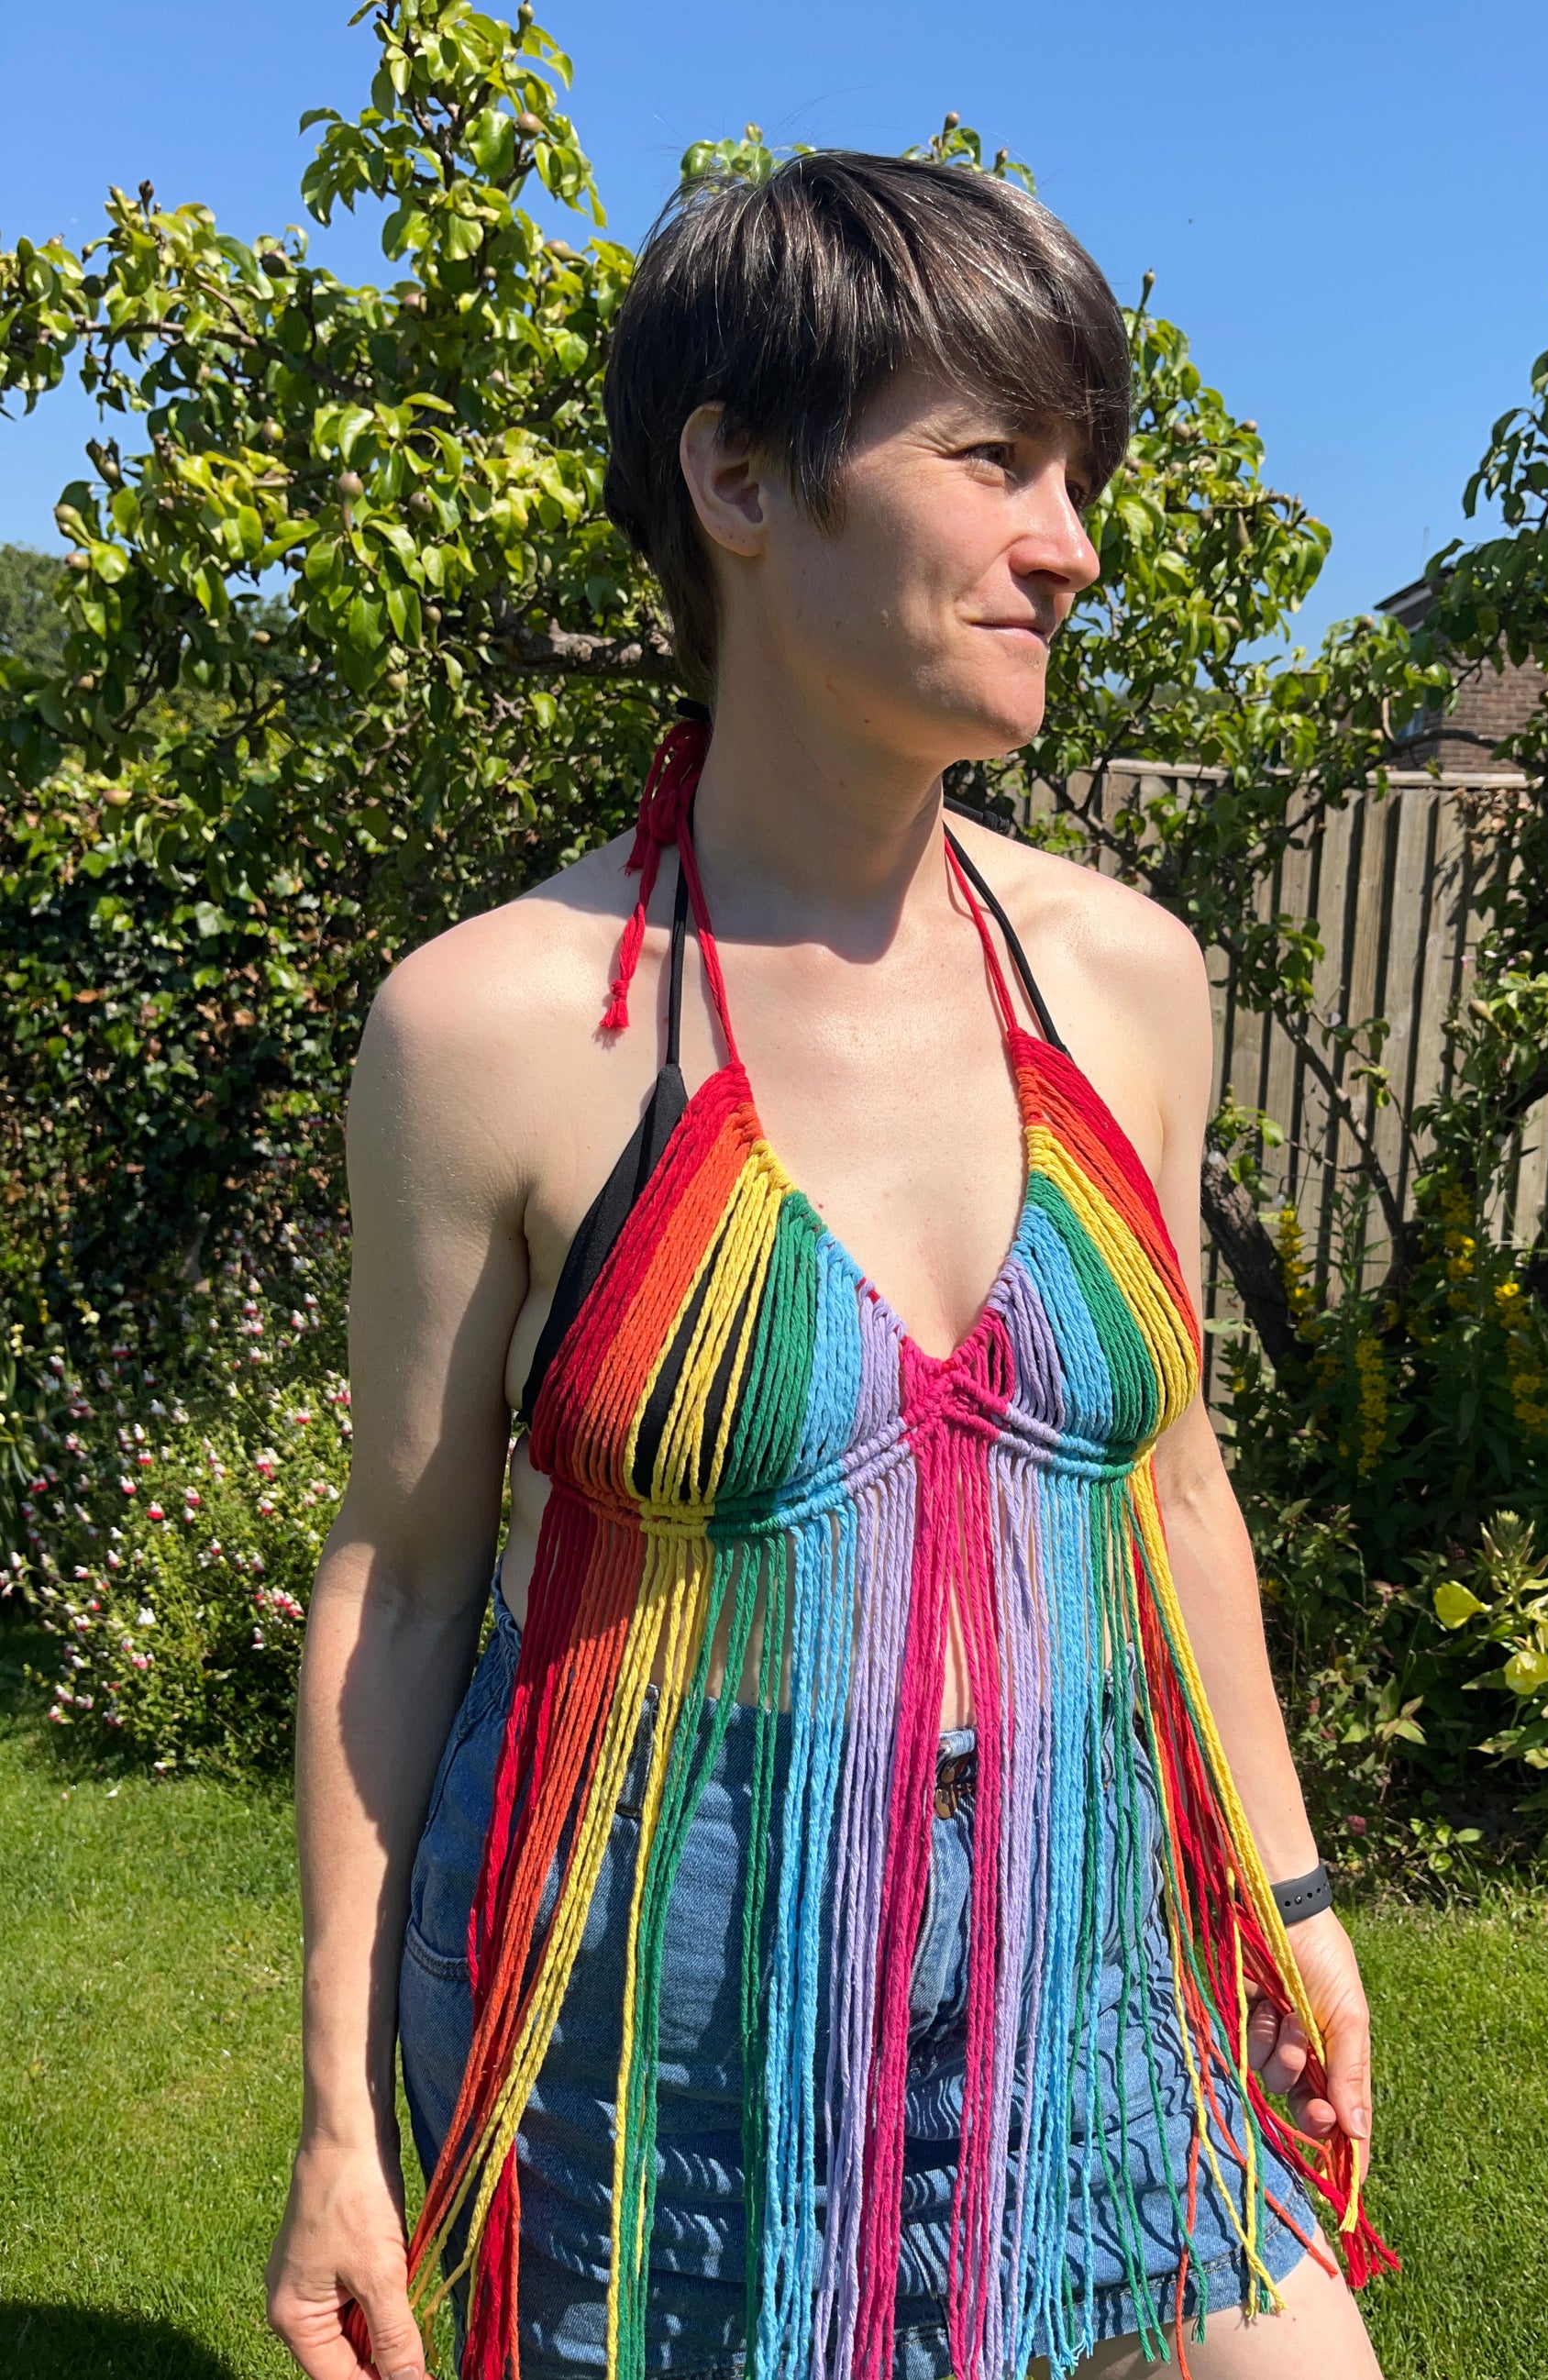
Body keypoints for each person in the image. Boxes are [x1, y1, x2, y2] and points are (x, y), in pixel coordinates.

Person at [265, 151, 1388, 2380]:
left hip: (1088, 1944)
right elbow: (398, 1583)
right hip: (664, 2007)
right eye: (993, 459)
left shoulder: (1124, 982)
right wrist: (330, 2119)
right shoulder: (497, 1025)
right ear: (741, 476)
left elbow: (1175, 1496)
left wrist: (1289, 1890)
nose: (1067, 542)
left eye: (1077, 472)